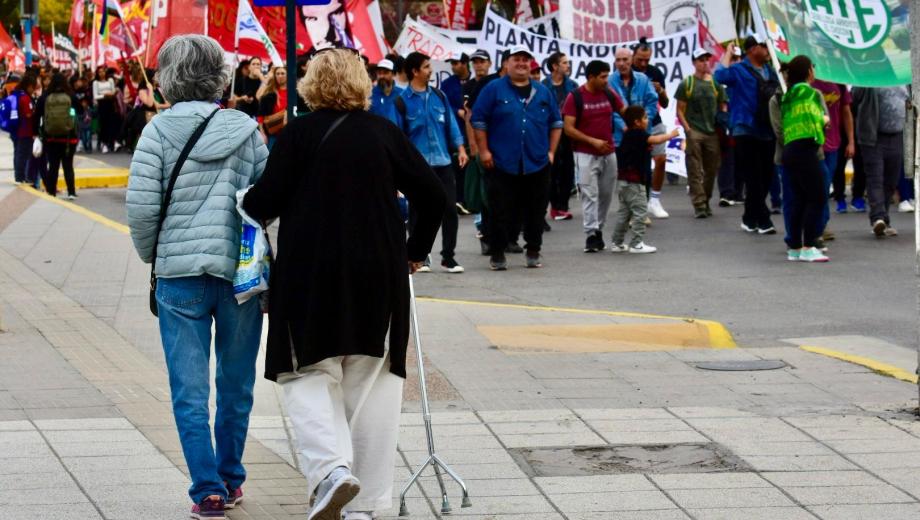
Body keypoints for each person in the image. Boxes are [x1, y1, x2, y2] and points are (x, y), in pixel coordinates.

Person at [241, 48, 446, 520]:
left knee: (307, 373)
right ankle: (366, 507)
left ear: (310, 85)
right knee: (374, 385)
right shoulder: (383, 132)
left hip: (311, 274)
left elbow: (263, 201)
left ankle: (331, 470)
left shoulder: (298, 135)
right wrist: (414, 251)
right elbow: (433, 194)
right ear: (362, 84)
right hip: (380, 273)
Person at [125, 35, 268, 520]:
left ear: (167, 77)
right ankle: (231, 475)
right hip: (238, 277)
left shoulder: (157, 132)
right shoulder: (247, 130)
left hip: (179, 277)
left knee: (189, 389)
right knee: (237, 382)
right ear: (221, 76)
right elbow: (268, 203)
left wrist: (155, 256)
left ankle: (206, 489)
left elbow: (143, 209)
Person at [471, 45, 562, 270]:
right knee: (499, 209)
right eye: (516, 59)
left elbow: (556, 123)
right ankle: (498, 253)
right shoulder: (493, 89)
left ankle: (533, 250)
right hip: (501, 161)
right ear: (506, 63)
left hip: (537, 161)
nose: (521, 63)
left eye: (525, 59)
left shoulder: (542, 91)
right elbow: (479, 121)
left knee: (536, 209)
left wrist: (551, 151)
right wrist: (483, 151)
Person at [394, 52, 468, 273]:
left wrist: (461, 148)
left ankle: (449, 256)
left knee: (449, 210)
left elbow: (452, 126)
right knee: (417, 212)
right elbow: (397, 136)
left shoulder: (440, 96)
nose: (430, 70)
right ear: (415, 71)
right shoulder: (401, 102)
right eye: (426, 67)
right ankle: (420, 255)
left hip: (443, 162)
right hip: (418, 167)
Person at [715, 35, 780, 235]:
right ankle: (764, 219)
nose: (767, 50)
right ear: (752, 49)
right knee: (753, 176)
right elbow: (719, 76)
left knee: (767, 176)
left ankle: (749, 218)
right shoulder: (738, 70)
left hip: (767, 129)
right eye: (763, 46)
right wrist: (727, 53)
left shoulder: (771, 70)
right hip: (745, 128)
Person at [561, 60, 624, 252]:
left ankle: (599, 230)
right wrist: (591, 141)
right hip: (585, 153)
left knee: (605, 194)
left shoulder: (608, 93)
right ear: (591, 77)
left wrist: (636, 122)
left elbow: (623, 111)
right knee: (590, 194)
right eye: (603, 77)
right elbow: (568, 128)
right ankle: (590, 234)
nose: (606, 80)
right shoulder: (575, 97)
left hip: (609, 152)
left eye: (607, 76)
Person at [773, 56, 830, 262]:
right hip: (806, 149)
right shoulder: (808, 92)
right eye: (812, 67)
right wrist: (825, 119)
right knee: (817, 197)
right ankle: (808, 246)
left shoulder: (787, 95)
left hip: (790, 150)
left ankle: (795, 247)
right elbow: (815, 118)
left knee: (797, 200)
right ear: (808, 72)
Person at [611, 106, 679, 254]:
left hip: (624, 182)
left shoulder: (628, 135)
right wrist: (671, 135)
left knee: (624, 214)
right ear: (637, 122)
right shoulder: (639, 134)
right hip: (635, 182)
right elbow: (656, 139)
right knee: (641, 212)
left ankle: (617, 243)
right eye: (645, 118)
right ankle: (636, 244)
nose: (647, 121)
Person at [676, 48, 729, 218]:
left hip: (712, 132)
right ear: (694, 63)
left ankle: (706, 200)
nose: (704, 63)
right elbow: (680, 110)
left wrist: (723, 121)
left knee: (711, 170)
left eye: (706, 59)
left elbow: (723, 105)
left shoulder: (715, 84)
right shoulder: (687, 84)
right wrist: (688, 130)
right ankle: (699, 204)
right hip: (695, 131)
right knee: (694, 169)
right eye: (700, 60)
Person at [852, 85, 910, 237]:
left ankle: (884, 219)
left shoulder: (902, 77)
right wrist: (865, 80)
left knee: (891, 181)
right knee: (875, 178)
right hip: (873, 137)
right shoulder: (870, 75)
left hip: (897, 135)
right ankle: (877, 218)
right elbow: (855, 97)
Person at [608, 48, 662, 213]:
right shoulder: (610, 81)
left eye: (625, 59)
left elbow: (652, 102)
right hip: (621, 136)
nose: (622, 63)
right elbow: (611, 109)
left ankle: (642, 209)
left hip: (642, 135)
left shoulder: (643, 79)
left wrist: (642, 124)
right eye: (618, 60)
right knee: (625, 175)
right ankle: (628, 210)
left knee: (644, 172)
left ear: (631, 60)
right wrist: (624, 126)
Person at [633, 38, 673, 214]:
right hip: (634, 125)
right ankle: (638, 202)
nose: (643, 64)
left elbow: (665, 104)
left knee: (661, 159)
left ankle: (655, 200)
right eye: (640, 59)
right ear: (633, 56)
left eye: (646, 60)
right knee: (638, 166)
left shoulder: (655, 72)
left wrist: (661, 91)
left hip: (654, 122)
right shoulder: (627, 72)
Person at [810, 78, 854, 239]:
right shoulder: (809, 84)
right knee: (818, 185)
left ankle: (821, 224)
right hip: (814, 144)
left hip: (834, 144)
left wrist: (851, 141)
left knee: (825, 184)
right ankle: (817, 226)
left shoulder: (839, 82)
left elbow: (846, 112)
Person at [542, 52, 578, 222]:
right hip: (549, 132)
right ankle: (555, 206)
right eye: (564, 63)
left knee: (568, 170)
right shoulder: (543, 86)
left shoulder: (573, 85)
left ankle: (562, 206)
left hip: (568, 131)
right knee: (552, 170)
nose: (567, 66)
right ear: (555, 66)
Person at [35, 73, 79, 199]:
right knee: (68, 165)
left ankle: (51, 191)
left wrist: (37, 132)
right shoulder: (70, 96)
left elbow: (37, 115)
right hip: (69, 138)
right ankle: (71, 192)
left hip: (50, 137)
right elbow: (80, 110)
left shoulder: (45, 96)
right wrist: (71, 113)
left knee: (53, 166)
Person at [717, 46, 745, 206]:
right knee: (727, 159)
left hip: (741, 123)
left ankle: (738, 192)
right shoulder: (723, 80)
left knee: (741, 159)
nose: (735, 61)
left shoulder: (744, 77)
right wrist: (728, 53)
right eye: (732, 58)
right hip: (725, 123)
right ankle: (726, 193)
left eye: (737, 58)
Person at [10, 73, 37, 184]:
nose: (34, 89)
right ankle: (20, 177)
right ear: (28, 86)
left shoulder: (18, 95)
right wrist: (35, 112)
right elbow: (28, 114)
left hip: (19, 129)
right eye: (33, 87)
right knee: (23, 154)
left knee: (19, 153)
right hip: (25, 130)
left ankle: (19, 175)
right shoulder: (25, 98)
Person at [258, 65, 289, 149]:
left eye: (283, 73)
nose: (280, 76)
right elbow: (261, 115)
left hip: (289, 132)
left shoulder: (294, 92)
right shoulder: (270, 92)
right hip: (273, 133)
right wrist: (262, 133)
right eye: (277, 74)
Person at [92, 67, 118, 153]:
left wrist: (111, 94)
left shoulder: (110, 80)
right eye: (99, 72)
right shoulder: (95, 82)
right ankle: (104, 143)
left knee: (112, 124)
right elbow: (95, 96)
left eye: (103, 71)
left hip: (111, 104)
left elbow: (113, 91)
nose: (102, 73)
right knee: (103, 124)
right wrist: (105, 95)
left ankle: (112, 143)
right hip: (102, 105)